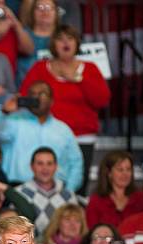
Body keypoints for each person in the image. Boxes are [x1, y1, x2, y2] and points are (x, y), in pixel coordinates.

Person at [20, 24, 111, 187]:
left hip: (82, 137)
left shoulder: (89, 69)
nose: (65, 43)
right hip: (47, 137)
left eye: (70, 38)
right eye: (60, 39)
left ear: (77, 43)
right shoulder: (40, 68)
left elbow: (102, 100)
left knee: (78, 186)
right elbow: (25, 98)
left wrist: (79, 80)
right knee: (44, 186)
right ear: (53, 44)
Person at [0, 80, 84, 192]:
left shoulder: (63, 129)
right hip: (17, 188)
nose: (37, 97)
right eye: (32, 94)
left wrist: (68, 192)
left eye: (42, 94)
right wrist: (4, 111)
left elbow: (76, 163)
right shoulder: (14, 121)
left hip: (55, 190)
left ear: (51, 101)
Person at [14, 147, 78, 236]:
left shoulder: (68, 195)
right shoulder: (19, 193)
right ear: (32, 167)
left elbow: (76, 227)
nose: (45, 168)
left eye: (49, 163)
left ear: (56, 166)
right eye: (40, 164)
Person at [86, 151, 143, 229]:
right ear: (109, 173)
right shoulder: (96, 201)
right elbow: (92, 232)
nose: (125, 174)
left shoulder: (141, 198)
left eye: (128, 169)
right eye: (120, 170)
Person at [16, 0, 59, 85]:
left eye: (49, 8)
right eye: (40, 8)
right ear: (32, 12)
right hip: (25, 90)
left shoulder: (65, 36)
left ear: (56, 12)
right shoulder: (21, 34)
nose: (44, 11)